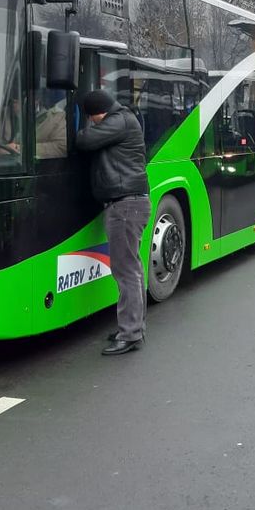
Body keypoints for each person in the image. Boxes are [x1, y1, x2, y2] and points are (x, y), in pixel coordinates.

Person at [75, 88, 151, 355]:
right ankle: (134, 328)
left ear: (98, 114)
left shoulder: (118, 121)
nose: (93, 123)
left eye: (92, 118)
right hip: (131, 204)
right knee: (133, 269)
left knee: (125, 270)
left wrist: (83, 126)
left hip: (125, 206)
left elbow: (83, 141)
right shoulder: (124, 119)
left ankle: (130, 334)